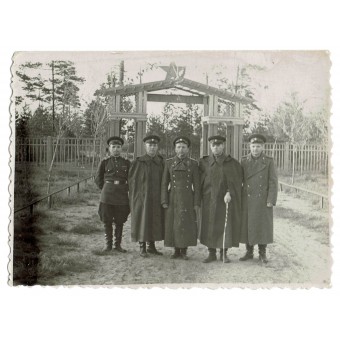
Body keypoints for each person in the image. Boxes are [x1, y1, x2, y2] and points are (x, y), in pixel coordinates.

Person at [199, 135, 243, 263]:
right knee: (209, 225)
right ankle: (211, 253)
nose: (216, 147)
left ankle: (224, 253)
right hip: (209, 200)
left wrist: (229, 192)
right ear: (210, 146)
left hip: (225, 200)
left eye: (219, 145)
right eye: (214, 145)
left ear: (223, 146)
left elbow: (235, 181)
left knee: (225, 225)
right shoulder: (204, 162)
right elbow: (200, 181)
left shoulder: (232, 163)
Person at [240, 134, 278, 263]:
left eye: (258, 146)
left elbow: (273, 181)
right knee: (248, 225)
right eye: (253, 146)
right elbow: (239, 180)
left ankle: (262, 253)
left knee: (263, 226)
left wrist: (271, 199)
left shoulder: (268, 161)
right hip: (248, 199)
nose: (255, 149)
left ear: (263, 147)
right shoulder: (244, 161)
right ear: (249, 146)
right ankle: (249, 252)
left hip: (263, 200)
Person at [161, 136, 200, 260]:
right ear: (175, 149)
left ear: (188, 149)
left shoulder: (193, 164)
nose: (181, 150)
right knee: (173, 223)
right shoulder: (168, 163)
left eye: (183, 147)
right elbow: (164, 183)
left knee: (185, 223)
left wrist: (196, 202)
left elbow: (197, 185)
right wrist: (164, 200)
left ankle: (184, 250)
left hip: (188, 197)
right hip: (173, 197)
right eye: (178, 147)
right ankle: (175, 250)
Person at [128, 135, 165, 257]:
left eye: (155, 145)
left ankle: (152, 246)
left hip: (156, 197)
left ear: (157, 147)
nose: (152, 148)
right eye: (150, 145)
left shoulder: (160, 162)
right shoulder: (138, 162)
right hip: (142, 198)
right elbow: (132, 182)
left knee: (154, 220)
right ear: (145, 146)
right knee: (143, 220)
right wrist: (136, 199)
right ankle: (142, 246)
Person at [95, 136, 130, 252]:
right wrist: (106, 188)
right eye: (113, 147)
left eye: (118, 147)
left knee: (120, 221)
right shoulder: (104, 162)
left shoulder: (126, 163)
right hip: (107, 195)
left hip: (122, 195)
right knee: (107, 220)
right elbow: (98, 179)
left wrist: (125, 188)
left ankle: (118, 245)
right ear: (109, 148)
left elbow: (131, 179)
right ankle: (108, 245)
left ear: (122, 148)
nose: (116, 149)